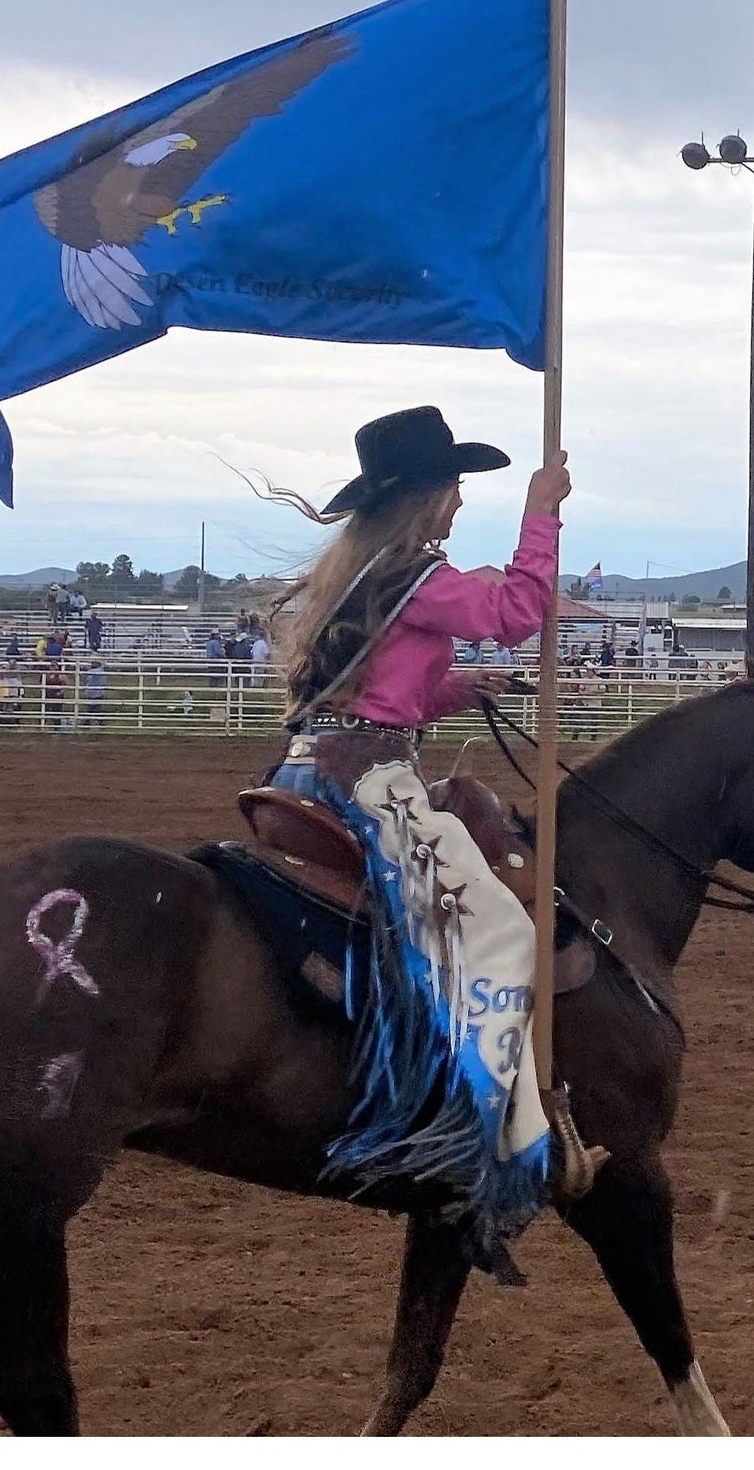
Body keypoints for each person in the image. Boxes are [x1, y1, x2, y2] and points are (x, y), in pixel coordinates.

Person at [257, 404, 590, 1259]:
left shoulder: (367, 576)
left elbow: (381, 688)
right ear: (422, 497)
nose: (457, 504)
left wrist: (460, 686)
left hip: (312, 764)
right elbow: (520, 607)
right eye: (452, 488)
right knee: (506, 932)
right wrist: (541, 510)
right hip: (370, 781)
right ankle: (485, 1142)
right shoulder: (413, 574)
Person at [82, 658, 107, 727]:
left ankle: (89, 721)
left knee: (95, 708)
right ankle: (88, 721)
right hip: (92, 692)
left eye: (94, 663)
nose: (92, 664)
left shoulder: (99, 671)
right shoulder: (97, 671)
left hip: (97, 693)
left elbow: (89, 674)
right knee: (92, 708)